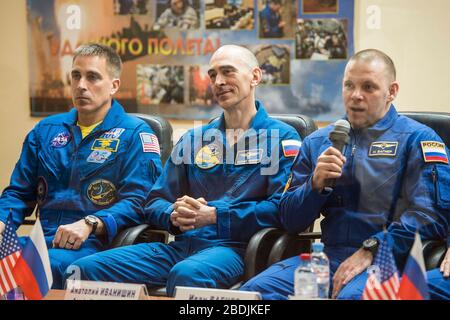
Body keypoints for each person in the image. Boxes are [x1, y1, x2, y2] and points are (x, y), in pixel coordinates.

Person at [65, 44, 301, 296]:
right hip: (182, 245)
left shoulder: (281, 138)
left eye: (228, 72)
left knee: (186, 274)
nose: (219, 81)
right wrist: (173, 215)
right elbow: (154, 201)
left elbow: (281, 209)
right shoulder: (194, 139)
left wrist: (215, 215)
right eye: (212, 75)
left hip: (236, 248)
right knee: (83, 269)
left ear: (255, 76)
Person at [240, 48, 450, 299]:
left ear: (391, 92)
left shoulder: (417, 139)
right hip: (328, 257)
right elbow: (289, 219)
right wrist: (314, 185)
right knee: (252, 294)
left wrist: (372, 248)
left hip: (389, 257)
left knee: (350, 297)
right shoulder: (318, 141)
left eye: (368, 87)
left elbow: (430, 215)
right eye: (349, 85)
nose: (356, 96)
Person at [0, 43, 163, 289]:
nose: (81, 85)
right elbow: (18, 193)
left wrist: (91, 223)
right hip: (43, 241)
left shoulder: (136, 134)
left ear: (114, 86)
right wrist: (2, 221)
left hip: (96, 247)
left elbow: (140, 200)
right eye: (76, 76)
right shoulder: (46, 130)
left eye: (92, 77)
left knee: (29, 269)